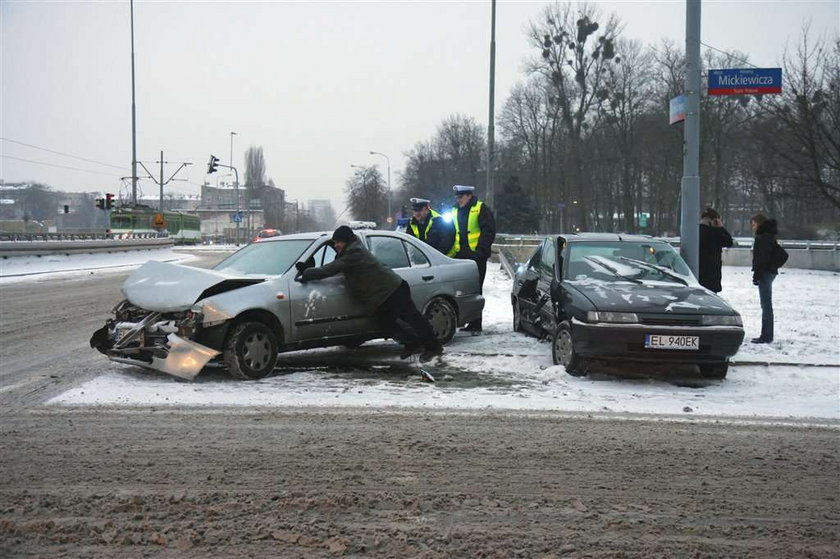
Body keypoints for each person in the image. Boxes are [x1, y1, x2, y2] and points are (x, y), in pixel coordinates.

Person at [298, 225, 443, 361]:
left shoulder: (354, 253)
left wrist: (305, 272)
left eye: (338, 242)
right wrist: (309, 268)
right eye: (335, 243)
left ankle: (434, 347)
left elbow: (329, 269)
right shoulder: (350, 251)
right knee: (385, 323)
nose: (336, 245)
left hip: (393, 290)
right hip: (382, 294)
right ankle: (412, 343)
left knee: (413, 319)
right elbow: (333, 265)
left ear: (346, 241)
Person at [447, 185, 496, 333]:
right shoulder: (454, 210)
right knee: (462, 290)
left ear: (469, 196)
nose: (459, 199)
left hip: (476, 257)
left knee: (476, 289)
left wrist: (481, 251)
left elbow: (488, 231)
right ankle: (467, 320)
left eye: (461, 197)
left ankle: (476, 323)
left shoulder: (480, 208)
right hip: (459, 256)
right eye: (457, 197)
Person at [750, 213, 780, 344]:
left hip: (764, 273)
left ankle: (766, 335)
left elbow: (761, 258)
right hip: (768, 272)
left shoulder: (763, 237)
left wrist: (757, 274)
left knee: (766, 305)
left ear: (759, 224)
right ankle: (767, 334)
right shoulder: (769, 236)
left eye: (754, 224)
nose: (752, 227)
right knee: (766, 304)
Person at [698, 207, 734, 293]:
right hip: (711, 275)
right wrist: (721, 227)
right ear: (714, 220)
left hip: (697, 274)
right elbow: (729, 242)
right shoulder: (714, 233)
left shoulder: (695, 231)